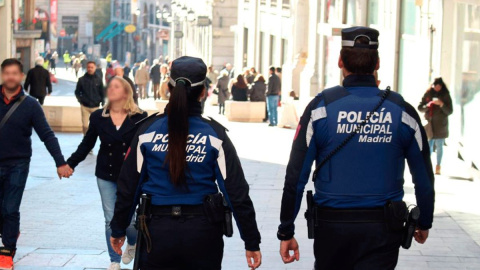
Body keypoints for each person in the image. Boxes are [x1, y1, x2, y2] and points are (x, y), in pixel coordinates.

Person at [277, 26, 435, 270]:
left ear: (340, 61)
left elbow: (296, 175)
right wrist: (424, 220)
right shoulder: (403, 111)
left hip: (331, 227)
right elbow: (423, 177)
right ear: (378, 63)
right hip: (383, 228)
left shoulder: (320, 109)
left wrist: (286, 229)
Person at [109, 56, 262, 269]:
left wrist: (118, 228)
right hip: (203, 232)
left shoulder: (147, 131)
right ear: (203, 92)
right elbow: (236, 191)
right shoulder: (214, 135)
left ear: (169, 88)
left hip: (156, 233)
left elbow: (128, 186)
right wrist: (251, 240)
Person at [66, 76, 147, 270]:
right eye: (110, 86)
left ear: (126, 91)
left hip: (130, 175)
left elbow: (146, 148)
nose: (111, 89)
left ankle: (133, 243)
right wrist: (70, 164)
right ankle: (114, 260)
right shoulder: (98, 117)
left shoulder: (140, 117)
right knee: (110, 217)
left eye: (116, 86)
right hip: (106, 173)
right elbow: (87, 144)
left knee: (129, 219)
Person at [0, 59, 72, 270]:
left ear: (21, 76)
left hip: (18, 164)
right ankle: (10, 231)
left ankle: (7, 251)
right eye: (7, 73)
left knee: (10, 208)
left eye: (15, 73)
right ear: (3, 75)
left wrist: (60, 162)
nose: (11, 77)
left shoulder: (31, 104)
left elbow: (47, 135)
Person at [418, 77, 453, 175]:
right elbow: (420, 107)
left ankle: (438, 166)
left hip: (441, 126)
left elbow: (449, 111)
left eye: (439, 86)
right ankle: (427, 166)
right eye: (436, 86)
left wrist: (441, 104)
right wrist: (428, 106)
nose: (437, 88)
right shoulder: (428, 94)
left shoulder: (445, 95)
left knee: (439, 146)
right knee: (428, 146)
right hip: (430, 126)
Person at [75, 61, 105, 135]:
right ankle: (86, 139)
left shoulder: (98, 79)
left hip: (95, 106)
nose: (90, 69)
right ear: (86, 68)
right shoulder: (81, 80)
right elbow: (77, 92)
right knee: (85, 125)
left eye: (92, 67)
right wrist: (80, 100)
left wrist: (102, 102)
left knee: (95, 125)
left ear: (95, 68)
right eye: (89, 67)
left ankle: (93, 139)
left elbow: (102, 92)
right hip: (84, 105)